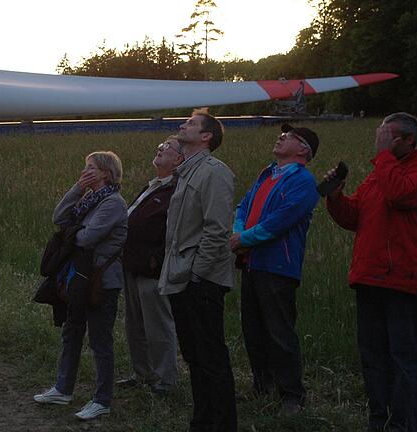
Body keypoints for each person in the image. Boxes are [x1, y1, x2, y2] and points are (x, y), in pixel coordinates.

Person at [324, 112, 417, 432]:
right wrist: (336, 198)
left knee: (403, 358)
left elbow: (402, 195)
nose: (378, 140)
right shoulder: (380, 173)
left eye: (385, 136)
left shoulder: (399, 170)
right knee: (373, 357)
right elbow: (356, 218)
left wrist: (383, 158)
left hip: (403, 280)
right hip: (369, 277)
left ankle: (401, 423)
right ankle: (379, 420)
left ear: (407, 140)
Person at [230, 124, 320, 415]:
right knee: (253, 329)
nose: (282, 136)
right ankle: (262, 386)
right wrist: (238, 233)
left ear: (303, 150)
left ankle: (292, 396)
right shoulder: (266, 174)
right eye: (283, 134)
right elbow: (243, 207)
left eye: (291, 136)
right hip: (252, 263)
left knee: (280, 332)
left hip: (278, 266)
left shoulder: (304, 181)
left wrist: (244, 238)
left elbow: (282, 220)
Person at [33, 151, 128, 421]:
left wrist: (70, 234)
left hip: (101, 281)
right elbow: (59, 217)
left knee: (100, 341)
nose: (86, 171)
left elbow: (87, 238)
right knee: (71, 332)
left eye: (91, 168)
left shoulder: (113, 203)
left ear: (106, 173)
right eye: (85, 167)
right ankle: (63, 389)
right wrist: (77, 187)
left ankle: (102, 400)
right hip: (78, 278)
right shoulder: (88, 198)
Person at [158, 109, 237, 432]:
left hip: (200, 280)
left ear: (206, 137)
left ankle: (222, 424)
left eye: (190, 123)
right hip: (182, 277)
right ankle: (202, 421)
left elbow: (217, 230)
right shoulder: (186, 173)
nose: (182, 125)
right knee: (194, 356)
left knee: (210, 356)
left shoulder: (214, 172)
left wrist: (198, 275)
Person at [117, 136, 184, 396]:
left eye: (167, 147)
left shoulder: (176, 190)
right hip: (132, 265)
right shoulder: (153, 186)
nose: (160, 148)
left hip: (152, 270)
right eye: (160, 145)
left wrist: (156, 258)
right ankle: (142, 373)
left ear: (179, 159)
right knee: (134, 324)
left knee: (157, 325)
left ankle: (165, 381)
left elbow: (176, 230)